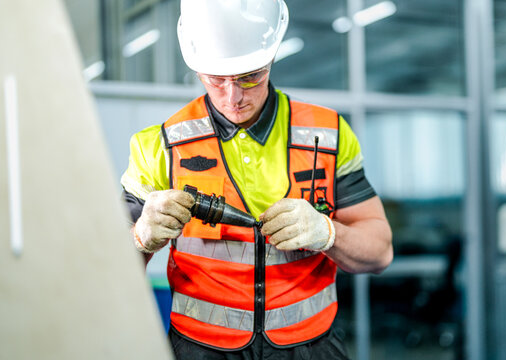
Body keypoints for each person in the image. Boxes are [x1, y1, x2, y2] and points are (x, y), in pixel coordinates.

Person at [120, 0, 393, 358]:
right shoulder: (159, 146)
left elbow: (380, 252)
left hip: (312, 349)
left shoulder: (326, 135)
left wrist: (328, 233)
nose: (233, 97)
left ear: (272, 56)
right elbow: (107, 276)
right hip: (200, 351)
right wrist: (140, 238)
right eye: (216, 79)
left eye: (250, 76)